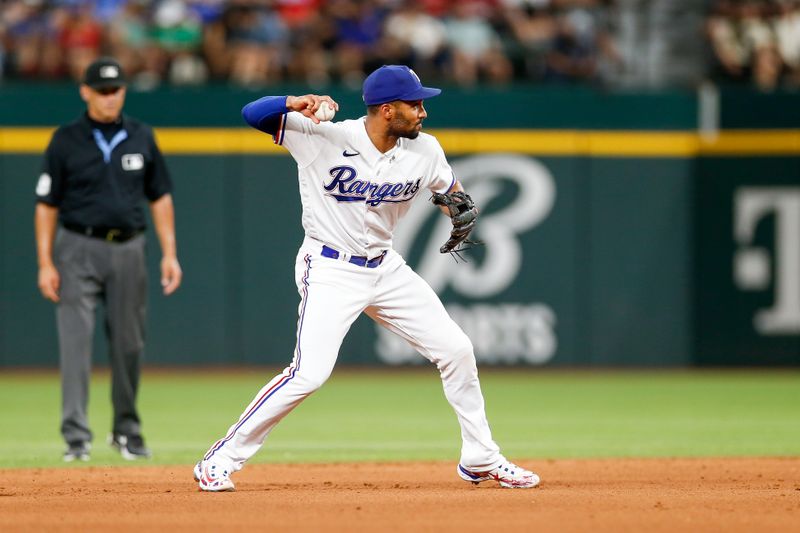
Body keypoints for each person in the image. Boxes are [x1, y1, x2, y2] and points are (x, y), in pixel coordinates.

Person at [193, 64, 539, 492]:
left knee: (456, 350)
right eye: (415, 104)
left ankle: (480, 456)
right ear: (387, 110)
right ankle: (220, 459)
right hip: (330, 267)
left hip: (386, 267)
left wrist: (458, 209)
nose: (423, 112)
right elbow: (252, 112)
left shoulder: (426, 150)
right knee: (308, 374)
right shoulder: (326, 137)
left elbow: (453, 194)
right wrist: (293, 102)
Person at [34, 57, 182, 462]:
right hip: (77, 247)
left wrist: (170, 253)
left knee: (129, 344)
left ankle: (127, 432)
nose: (109, 96)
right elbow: (46, 204)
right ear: (85, 92)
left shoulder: (140, 135)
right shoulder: (65, 139)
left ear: (124, 91)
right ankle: (76, 438)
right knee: (75, 345)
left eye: (115, 89)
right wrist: (46, 262)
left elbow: (160, 196)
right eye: (101, 89)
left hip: (130, 247)